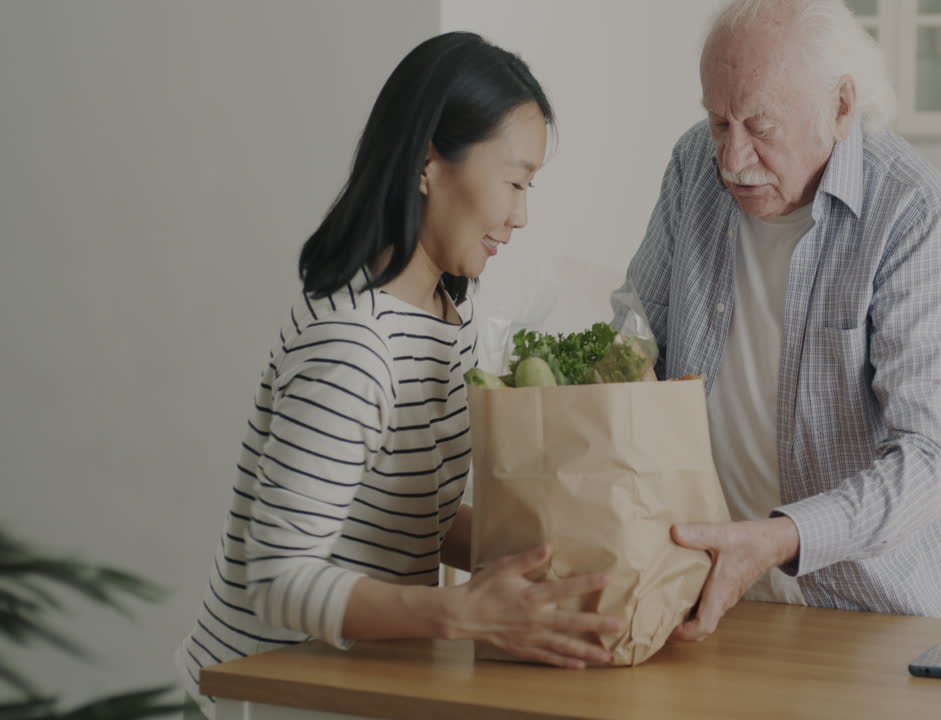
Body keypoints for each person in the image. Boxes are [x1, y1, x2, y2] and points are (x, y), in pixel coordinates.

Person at [175, 32, 621, 717]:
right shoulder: (354, 346)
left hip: (354, 682)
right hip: (267, 691)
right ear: (427, 162)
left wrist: (561, 559)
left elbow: (412, 518)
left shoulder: (447, 317)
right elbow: (278, 579)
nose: (521, 214)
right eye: (514, 180)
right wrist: (462, 613)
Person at [623, 0, 941, 642]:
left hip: (884, 620)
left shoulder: (914, 212)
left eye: (760, 126)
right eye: (718, 122)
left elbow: (930, 460)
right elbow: (638, 332)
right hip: (723, 607)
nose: (733, 158)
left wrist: (780, 538)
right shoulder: (694, 167)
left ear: (841, 107)